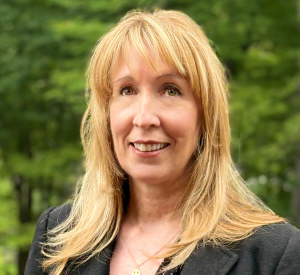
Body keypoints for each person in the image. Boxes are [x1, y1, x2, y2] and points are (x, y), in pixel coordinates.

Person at [25, 10, 300, 275]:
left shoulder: (275, 255)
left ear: (205, 115)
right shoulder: (57, 236)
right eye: (127, 90)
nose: (144, 118)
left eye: (170, 90)